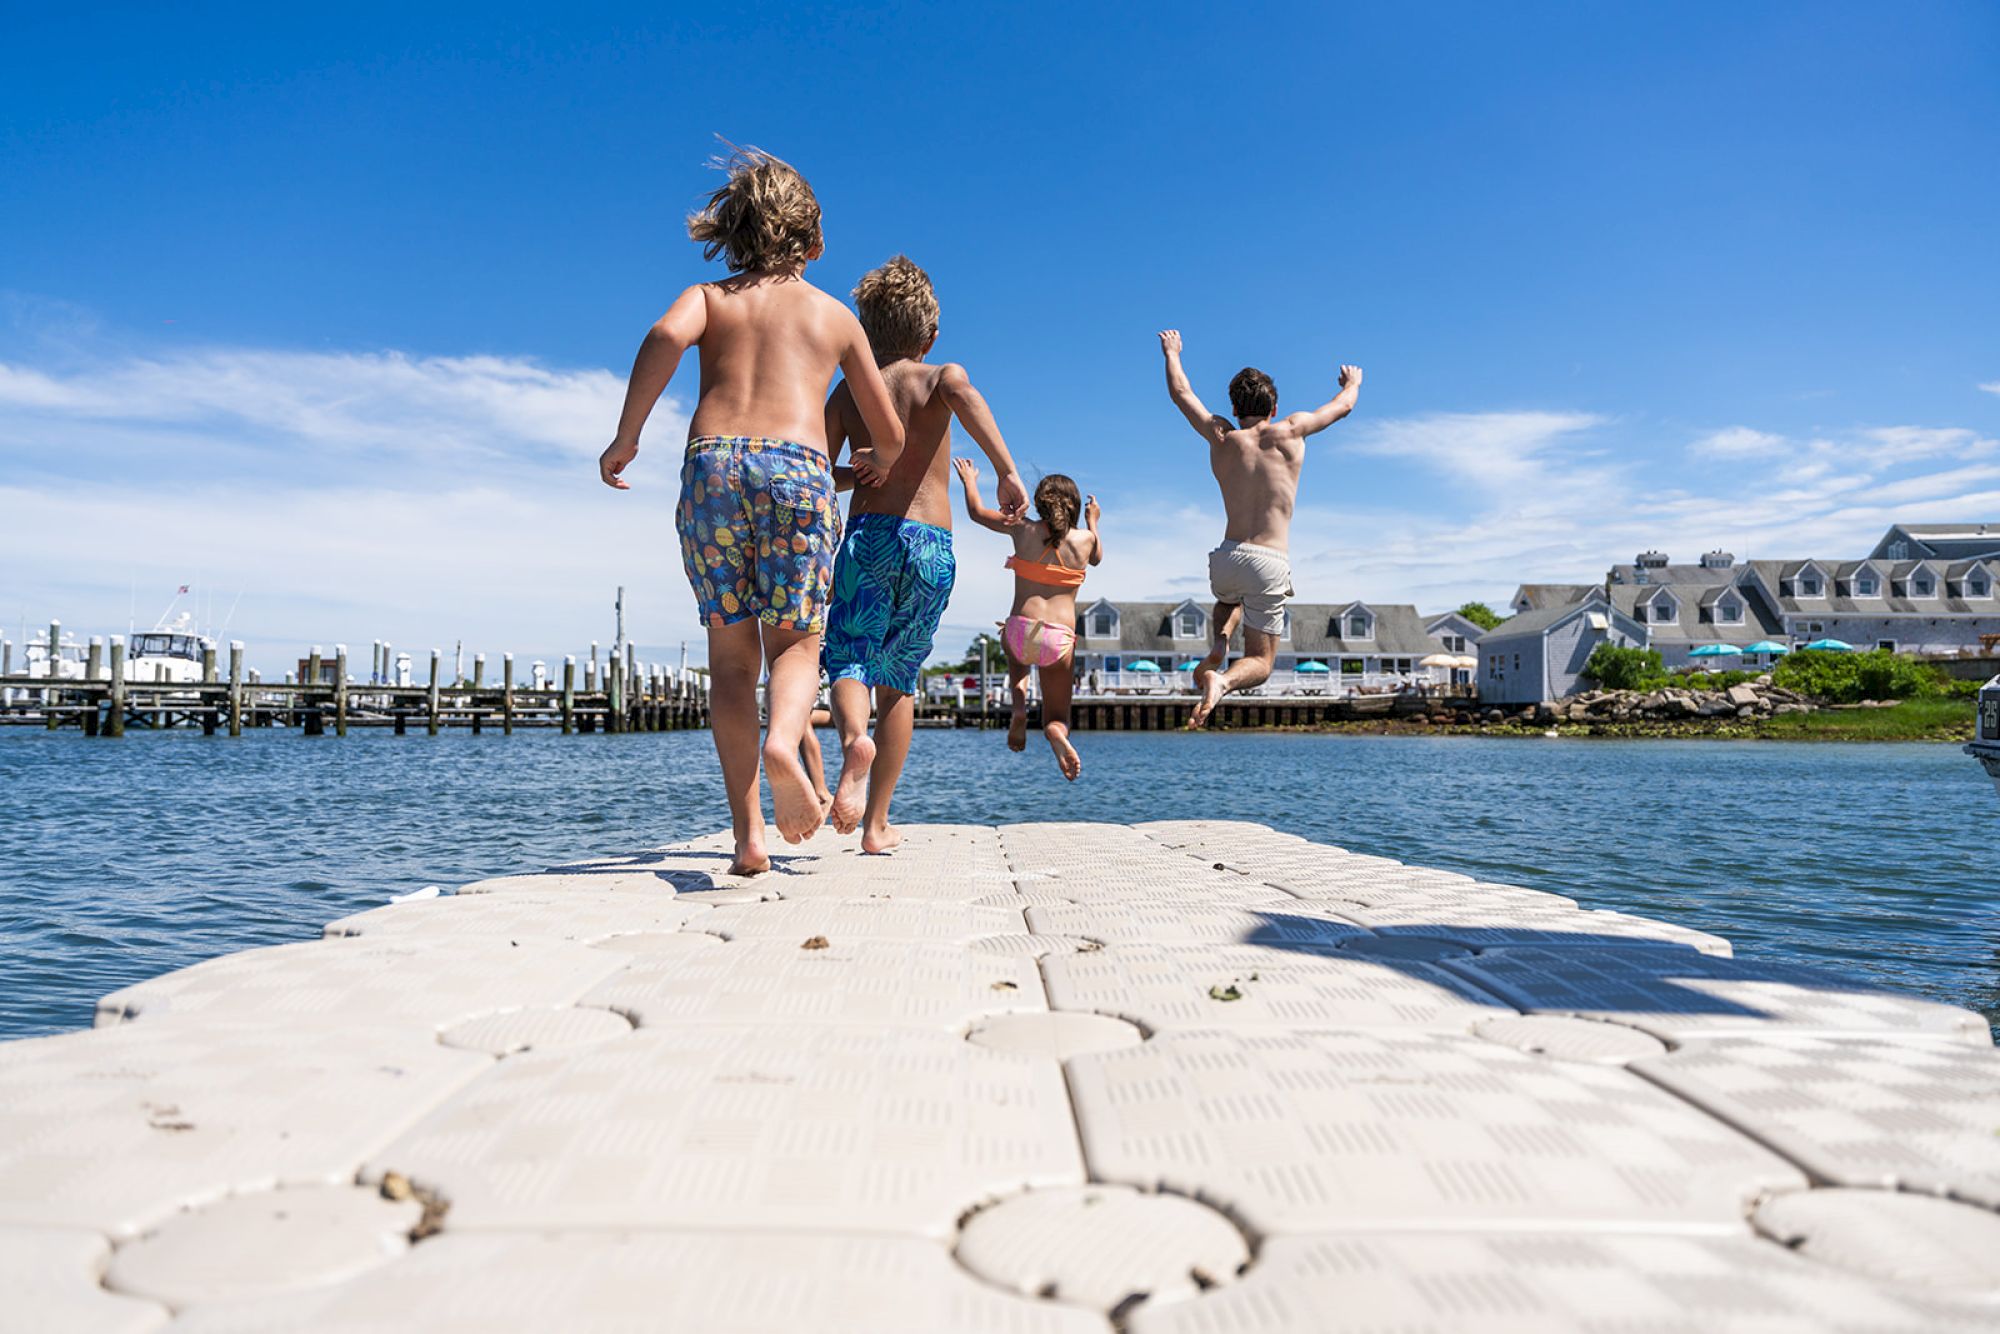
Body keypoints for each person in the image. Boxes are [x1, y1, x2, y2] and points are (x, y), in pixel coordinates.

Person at [598, 146, 905, 874]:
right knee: (796, 643)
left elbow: (663, 337)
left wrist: (627, 435)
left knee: (729, 658)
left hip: (713, 467)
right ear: (816, 241)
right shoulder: (834, 315)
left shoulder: (708, 298)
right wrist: (876, 462)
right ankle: (783, 740)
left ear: (731, 234)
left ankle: (748, 839)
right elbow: (887, 430)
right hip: (799, 469)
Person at [821, 256, 1028, 850]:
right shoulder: (938, 376)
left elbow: (821, 472)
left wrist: (856, 471)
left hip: (869, 540)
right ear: (930, 335)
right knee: (900, 681)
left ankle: (853, 741)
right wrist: (1005, 471)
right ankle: (877, 825)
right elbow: (964, 392)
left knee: (850, 660)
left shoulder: (846, 394)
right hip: (932, 547)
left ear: (862, 331)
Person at [1157, 329, 1362, 726]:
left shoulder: (1222, 436)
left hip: (1228, 556)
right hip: (1269, 559)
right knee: (1261, 661)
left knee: (1230, 600)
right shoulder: (1292, 430)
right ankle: (1223, 681)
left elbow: (1182, 395)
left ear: (1235, 408)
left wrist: (1172, 353)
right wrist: (1352, 382)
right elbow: (1342, 407)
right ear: (1275, 406)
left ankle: (1219, 641)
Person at [955, 458, 1101, 781]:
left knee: (1013, 643)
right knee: (1057, 715)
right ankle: (1056, 735)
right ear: (1074, 507)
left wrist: (969, 480)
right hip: (1059, 640)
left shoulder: (1022, 529)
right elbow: (1098, 557)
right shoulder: (1085, 541)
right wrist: (1093, 522)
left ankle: (1018, 705)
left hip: (1022, 631)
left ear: (1039, 503)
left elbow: (977, 514)